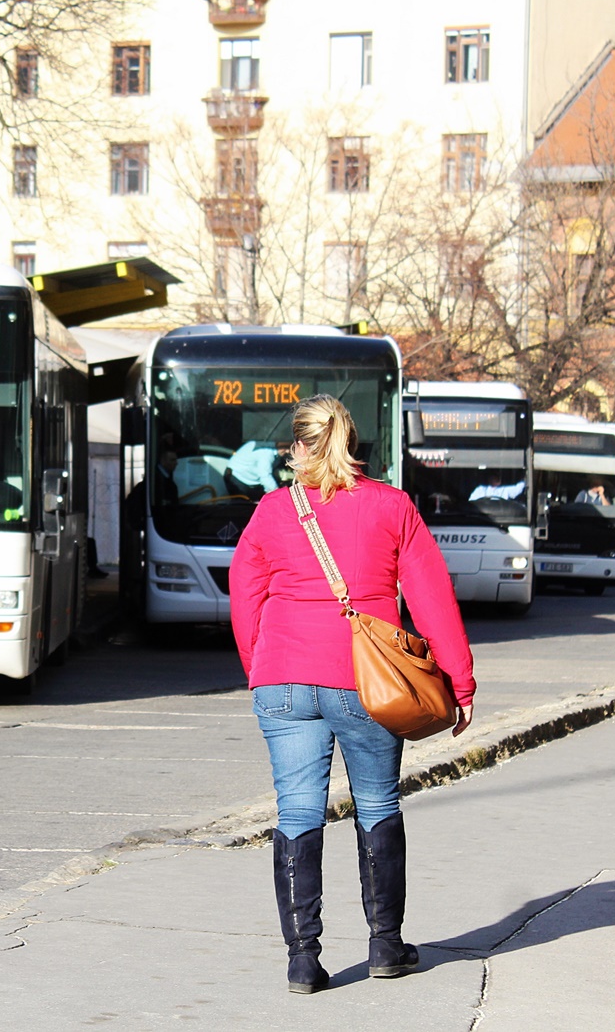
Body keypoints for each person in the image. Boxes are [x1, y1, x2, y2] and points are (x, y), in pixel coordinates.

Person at [229, 394, 475, 994]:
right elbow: (431, 596)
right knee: (378, 804)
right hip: (369, 682)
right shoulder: (391, 507)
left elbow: (245, 595)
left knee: (295, 811)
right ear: (352, 443)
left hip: (283, 679)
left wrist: (261, 667)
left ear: (296, 446)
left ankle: (303, 960)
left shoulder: (271, 511)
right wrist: (459, 681)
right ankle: (386, 946)